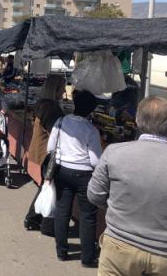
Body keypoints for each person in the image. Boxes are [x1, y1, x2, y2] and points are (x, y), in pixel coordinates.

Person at [88, 97, 167, 276]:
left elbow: (94, 195)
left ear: (137, 122)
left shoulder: (114, 152)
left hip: (119, 246)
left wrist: (118, 207)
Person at [48, 89, 101, 267]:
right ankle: (87, 257)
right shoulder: (91, 130)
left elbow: (50, 148)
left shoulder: (61, 121)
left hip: (62, 171)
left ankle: (61, 251)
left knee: (63, 212)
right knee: (88, 216)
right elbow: (95, 160)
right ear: (91, 111)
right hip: (84, 175)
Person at [24, 74, 66, 233]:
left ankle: (34, 219)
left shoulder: (43, 103)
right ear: (55, 89)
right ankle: (35, 219)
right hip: (47, 152)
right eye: (62, 89)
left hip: (42, 150)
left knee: (46, 185)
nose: (63, 92)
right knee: (47, 186)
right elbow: (55, 132)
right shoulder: (51, 107)